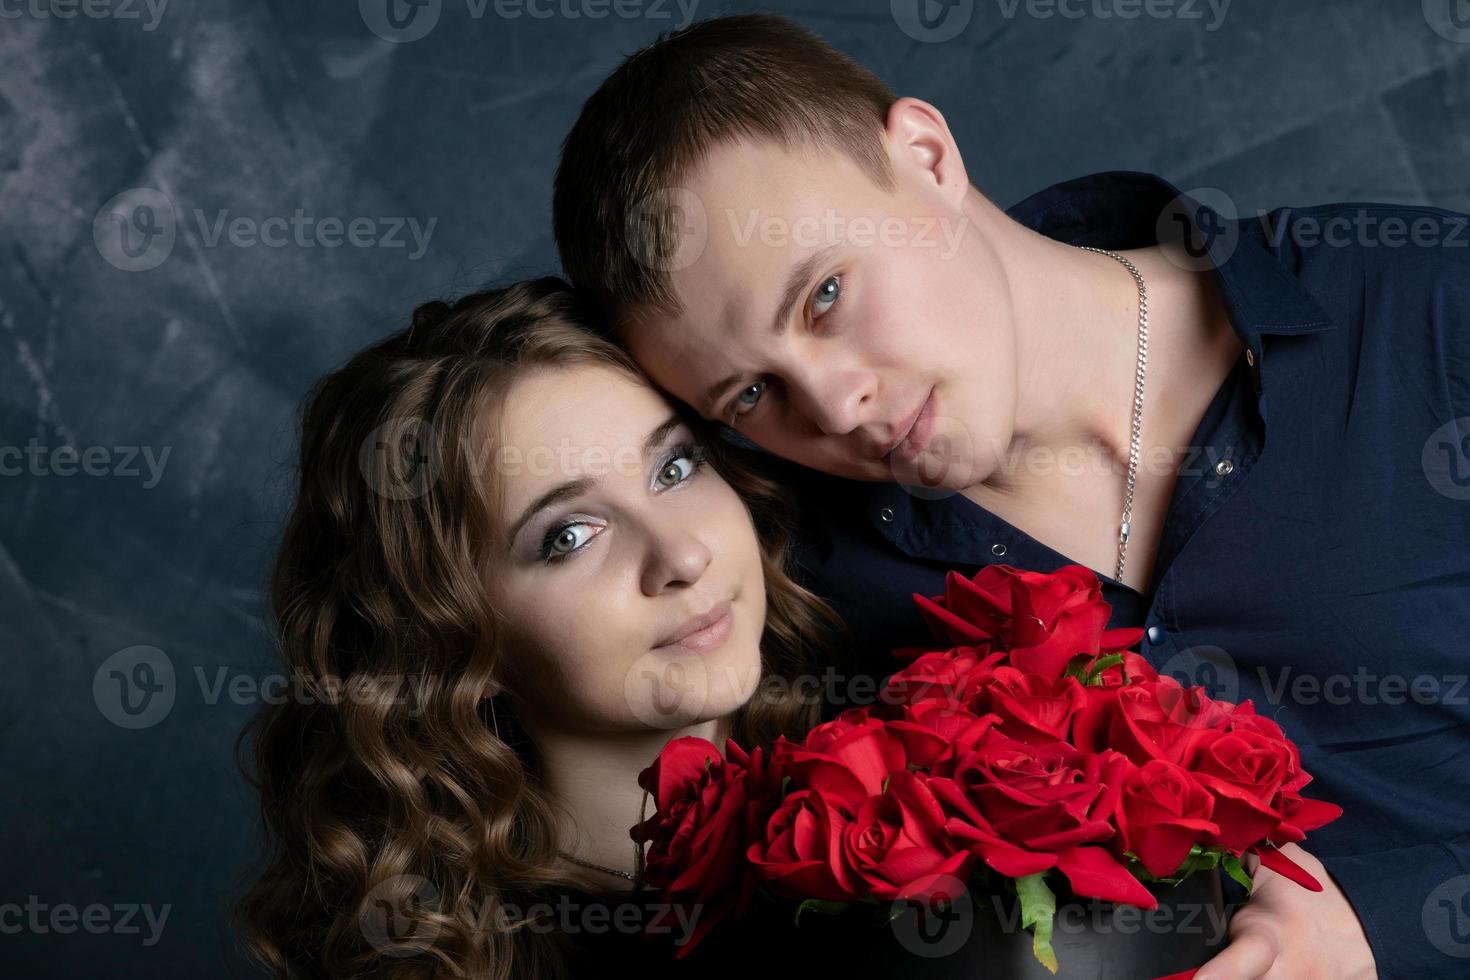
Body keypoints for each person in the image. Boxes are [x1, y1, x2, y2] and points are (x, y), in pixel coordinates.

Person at [551, 13, 1470, 980]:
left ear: (926, 154)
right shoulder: (802, 589)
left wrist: (1385, 926)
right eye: (751, 393)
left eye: (824, 296)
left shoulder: (1430, 316)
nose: (832, 404)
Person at [231, 277, 848, 979]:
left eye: (674, 467)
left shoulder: (909, 728)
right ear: (451, 639)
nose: (681, 555)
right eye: (569, 536)